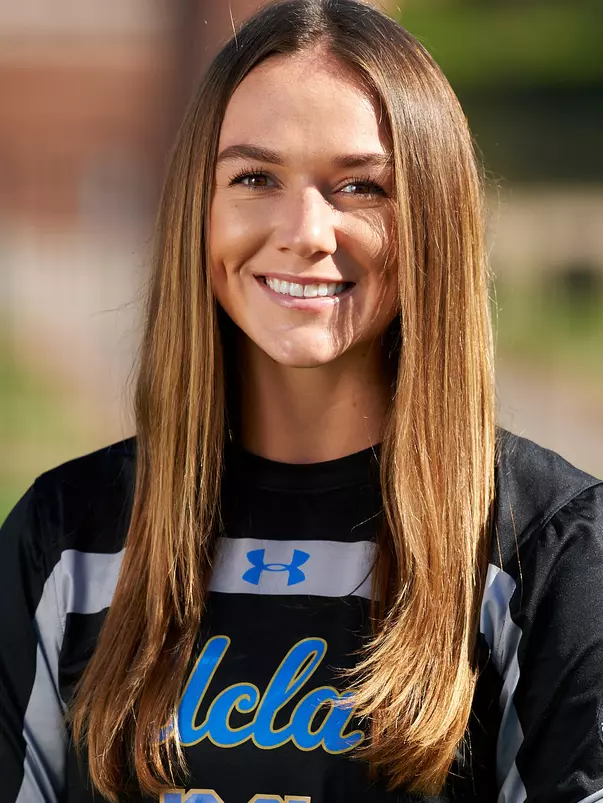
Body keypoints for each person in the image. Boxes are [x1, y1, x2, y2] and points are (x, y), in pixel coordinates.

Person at [1, 0, 603, 801]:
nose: (304, 230)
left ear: (431, 218)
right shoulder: (67, 541)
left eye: (360, 185)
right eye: (254, 177)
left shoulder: (549, 552)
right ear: (198, 208)